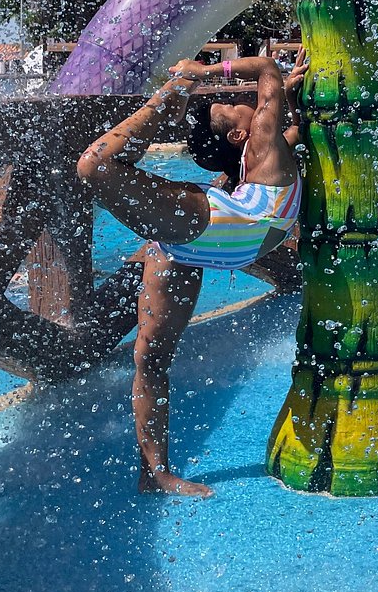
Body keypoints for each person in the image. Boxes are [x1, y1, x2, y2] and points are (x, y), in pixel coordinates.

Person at [77, 51, 305, 497]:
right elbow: (265, 70)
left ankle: (156, 472)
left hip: (209, 231)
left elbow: (283, 112)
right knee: (93, 166)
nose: (240, 101)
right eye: (233, 106)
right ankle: (153, 472)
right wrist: (200, 74)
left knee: (151, 361)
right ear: (242, 131)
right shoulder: (261, 141)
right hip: (227, 230)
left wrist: (288, 98)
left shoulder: (259, 152)